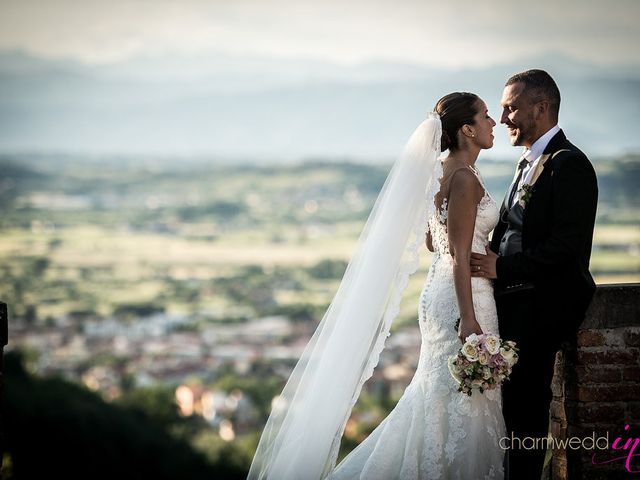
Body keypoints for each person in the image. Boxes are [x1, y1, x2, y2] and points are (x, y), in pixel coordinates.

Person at [248, 92, 507, 480]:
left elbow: (433, 241)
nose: (494, 123)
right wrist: (469, 318)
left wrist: (469, 245)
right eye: (486, 116)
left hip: (439, 293)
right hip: (463, 297)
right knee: (463, 399)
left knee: (438, 396)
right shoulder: (465, 179)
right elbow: (455, 254)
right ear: (467, 129)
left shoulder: (441, 171)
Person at [470, 69, 598, 479]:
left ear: (541, 108)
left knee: (526, 411)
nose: (504, 118)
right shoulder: (529, 163)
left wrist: (502, 266)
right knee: (511, 410)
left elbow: (567, 247)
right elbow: (515, 228)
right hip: (515, 302)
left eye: (510, 108)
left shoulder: (569, 164)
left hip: (542, 310)